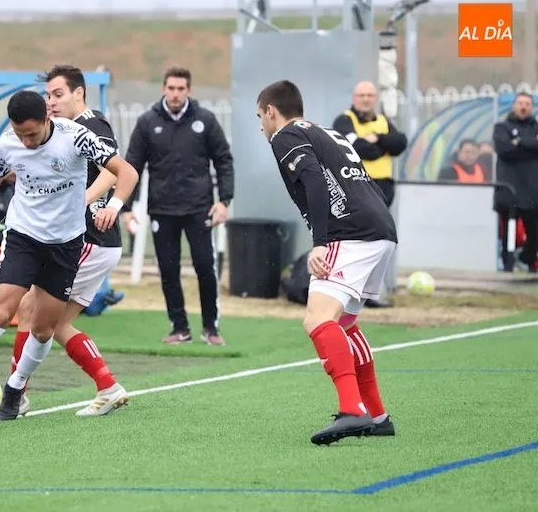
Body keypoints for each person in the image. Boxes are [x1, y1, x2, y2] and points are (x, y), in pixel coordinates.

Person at [0, 90, 138, 428]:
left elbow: (126, 172)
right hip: (22, 236)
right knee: (1, 311)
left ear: (46, 120)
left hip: (65, 244)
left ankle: (14, 389)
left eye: (32, 134)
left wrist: (113, 206)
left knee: (42, 329)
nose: (25, 142)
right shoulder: (8, 143)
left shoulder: (76, 136)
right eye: (19, 133)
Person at [257, 80, 398, 445]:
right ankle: (377, 416)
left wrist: (320, 243)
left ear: (271, 111)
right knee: (345, 323)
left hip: (348, 233)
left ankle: (352, 409)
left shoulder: (286, 135)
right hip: (380, 228)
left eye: (260, 117)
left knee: (317, 319)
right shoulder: (325, 131)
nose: (261, 126)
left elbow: (315, 180)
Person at [9, 64, 130, 417]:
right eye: (48, 95)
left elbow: (113, 171)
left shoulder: (90, 125)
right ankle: (107, 386)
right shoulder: (62, 131)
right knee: (54, 323)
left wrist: (84, 200)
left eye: (58, 94)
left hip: (89, 239)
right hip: (95, 243)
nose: (51, 102)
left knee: (29, 308)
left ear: (79, 93)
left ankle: (16, 394)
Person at [122, 66, 234, 346]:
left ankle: (211, 328)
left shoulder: (205, 120)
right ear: (163, 89)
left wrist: (224, 201)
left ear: (189, 91)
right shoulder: (147, 122)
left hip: (199, 208)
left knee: (205, 267)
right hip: (162, 209)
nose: (175, 94)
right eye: (171, 88)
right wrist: (126, 207)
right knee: (168, 270)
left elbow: (223, 160)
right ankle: (180, 328)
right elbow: (132, 166)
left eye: (180, 89)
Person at [332, 81, 408, 208]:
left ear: (375, 98)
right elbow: (360, 149)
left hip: (384, 187)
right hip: (357, 185)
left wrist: (378, 138)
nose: (366, 99)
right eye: (362, 95)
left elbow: (400, 142)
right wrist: (384, 147)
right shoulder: (344, 120)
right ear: (354, 98)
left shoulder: (383, 121)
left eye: (370, 95)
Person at [493, 92, 538, 273]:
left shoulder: (535, 127)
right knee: (508, 233)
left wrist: (518, 142)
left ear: (532, 107)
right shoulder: (501, 127)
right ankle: (508, 266)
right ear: (514, 106)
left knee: (534, 233)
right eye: (520, 103)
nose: (523, 107)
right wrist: (530, 147)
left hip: (532, 190)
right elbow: (504, 149)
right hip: (509, 189)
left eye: (527, 104)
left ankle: (527, 258)